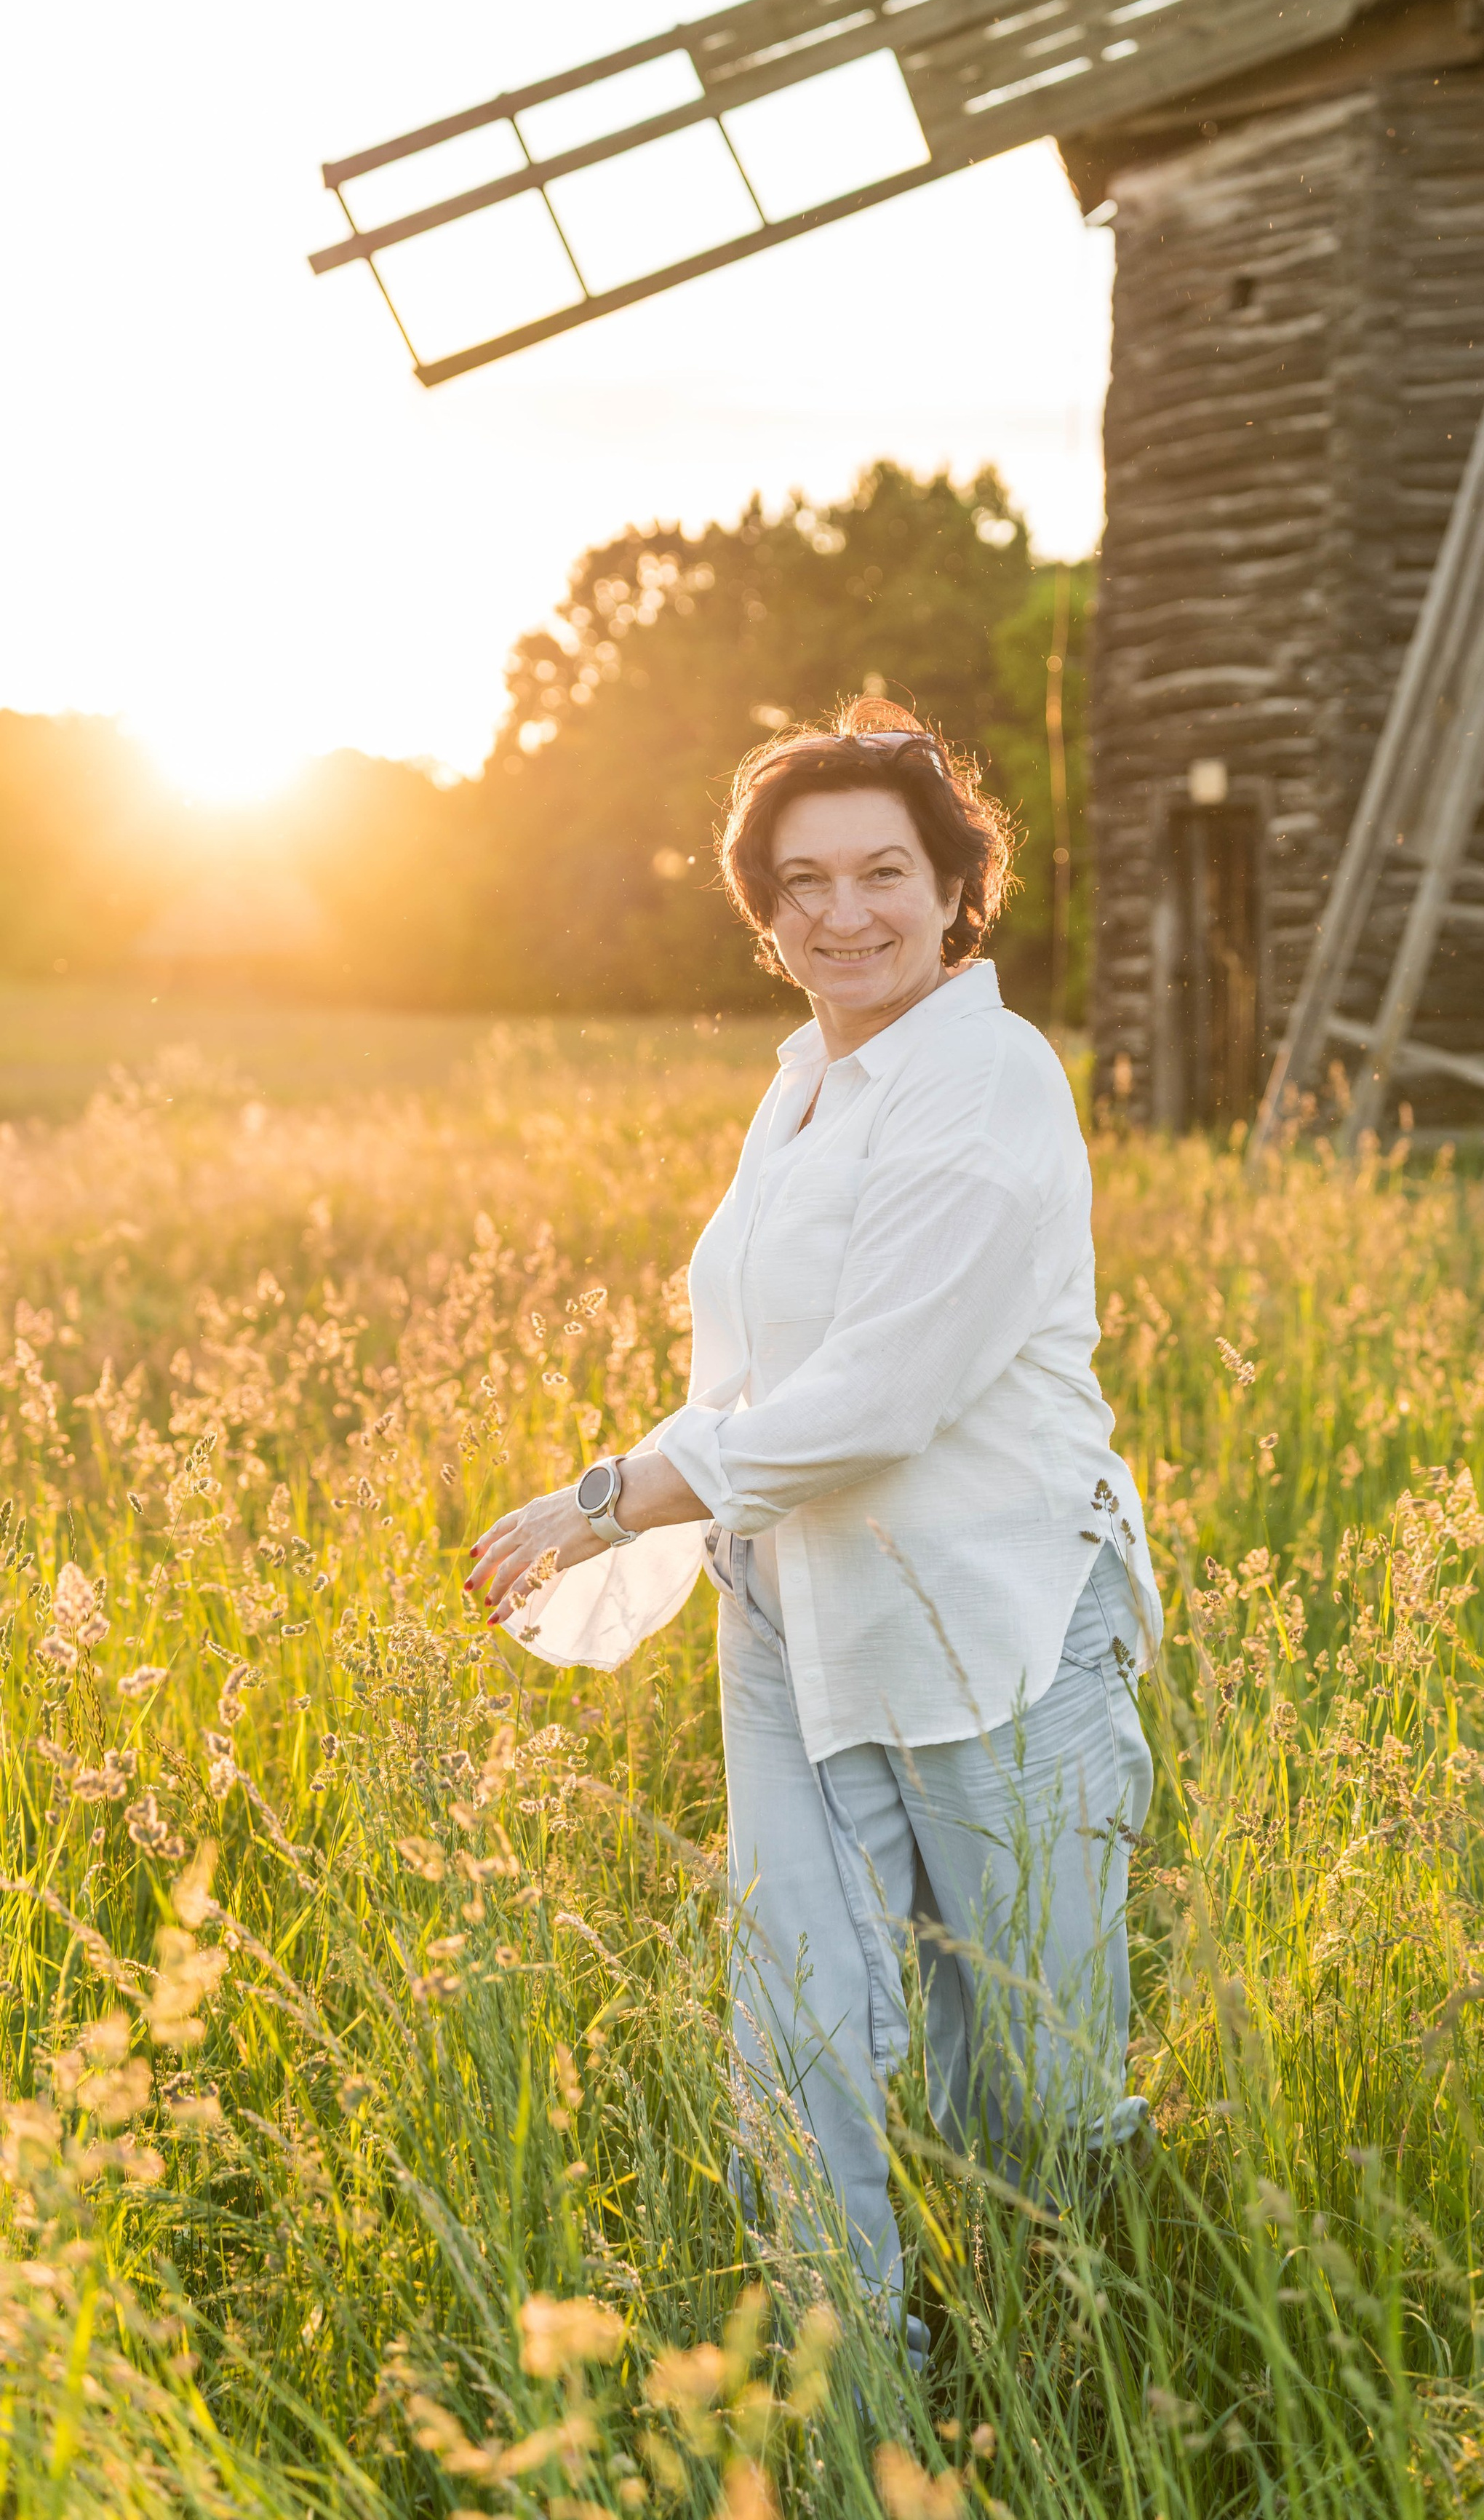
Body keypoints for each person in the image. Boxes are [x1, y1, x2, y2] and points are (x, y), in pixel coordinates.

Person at [467, 698, 1160, 2330]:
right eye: (800, 882)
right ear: (760, 912)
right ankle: (851, 2389)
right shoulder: (802, 1085)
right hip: (796, 1616)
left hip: (989, 1626)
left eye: (880, 873)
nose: (841, 913)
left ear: (952, 888)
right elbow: (759, 1372)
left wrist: (601, 1502)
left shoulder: (985, 1080)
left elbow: (878, 1397)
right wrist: (641, 1515)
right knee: (794, 2022)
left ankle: (1093, 2368)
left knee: (1031, 2089)